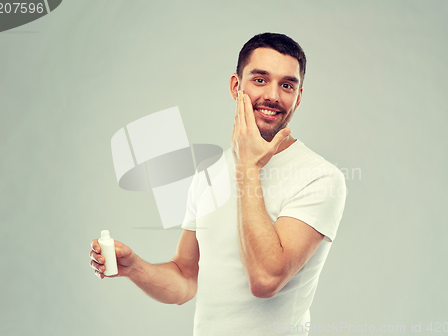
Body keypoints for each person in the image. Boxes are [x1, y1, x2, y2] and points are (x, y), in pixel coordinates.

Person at [90, 32, 347, 336]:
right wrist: (135, 268)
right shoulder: (209, 173)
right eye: (260, 80)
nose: (274, 96)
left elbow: (265, 280)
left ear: (298, 97)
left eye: (287, 85)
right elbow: (186, 278)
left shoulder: (320, 176)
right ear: (236, 87)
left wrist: (247, 166)